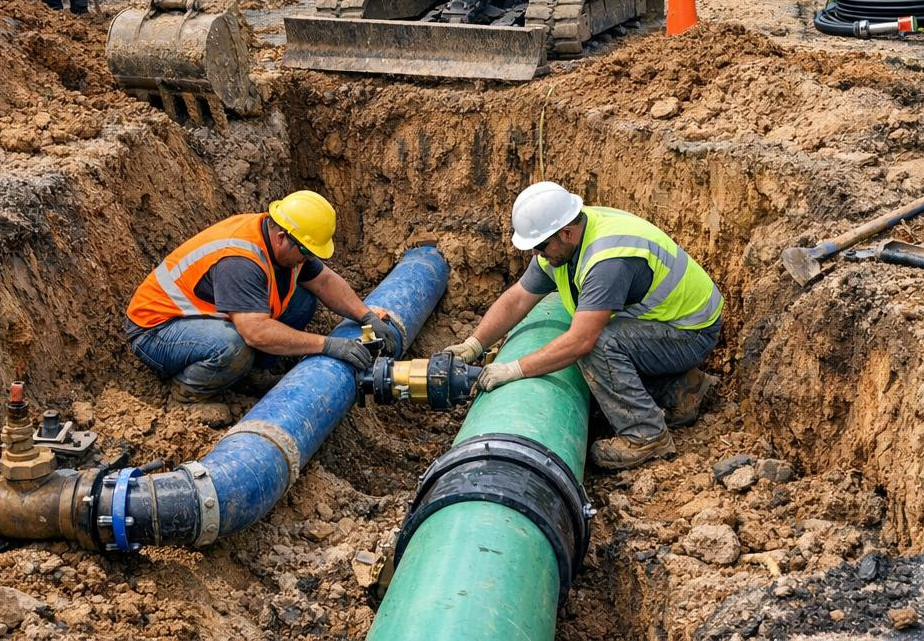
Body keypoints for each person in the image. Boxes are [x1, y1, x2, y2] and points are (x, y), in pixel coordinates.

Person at [444, 182, 722, 470]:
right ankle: (681, 388)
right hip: (664, 324)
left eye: (540, 246)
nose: (537, 254)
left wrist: (514, 369)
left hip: (690, 332)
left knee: (597, 345)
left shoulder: (607, 260)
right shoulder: (566, 241)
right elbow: (518, 299)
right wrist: (473, 344)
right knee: (591, 350)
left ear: (566, 232)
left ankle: (646, 435)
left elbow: (581, 341)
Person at [124, 190, 401, 405]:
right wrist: (327, 345)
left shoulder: (283, 241)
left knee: (302, 301)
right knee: (233, 346)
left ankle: (251, 375)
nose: (308, 259)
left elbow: (324, 281)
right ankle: (187, 394)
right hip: (157, 331)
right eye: (306, 252)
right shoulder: (240, 261)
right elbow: (255, 332)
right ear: (281, 237)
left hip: (200, 317)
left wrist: (365, 315)